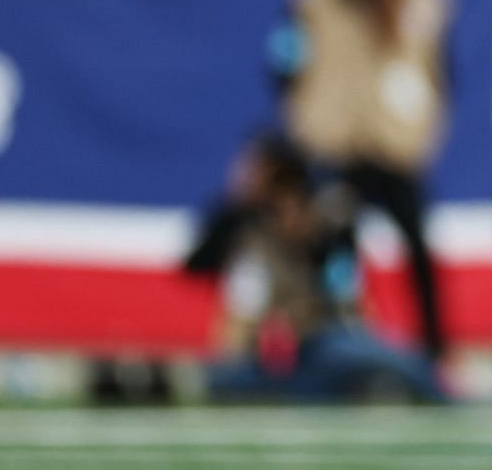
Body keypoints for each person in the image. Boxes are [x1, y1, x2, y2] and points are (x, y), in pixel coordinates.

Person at [271, 0, 455, 360]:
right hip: (331, 148)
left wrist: (421, 134)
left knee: (416, 243)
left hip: (392, 149)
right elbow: (285, 65)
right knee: (330, 237)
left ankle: (435, 353)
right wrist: (303, 124)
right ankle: (330, 342)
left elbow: (439, 74)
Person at [185, 132, 448, 403]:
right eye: (280, 205)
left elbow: (350, 301)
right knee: (233, 378)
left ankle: (439, 395)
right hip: (291, 355)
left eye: (294, 201)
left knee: (378, 357)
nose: (289, 214)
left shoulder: (331, 231)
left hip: (334, 341)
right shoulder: (254, 242)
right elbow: (240, 317)